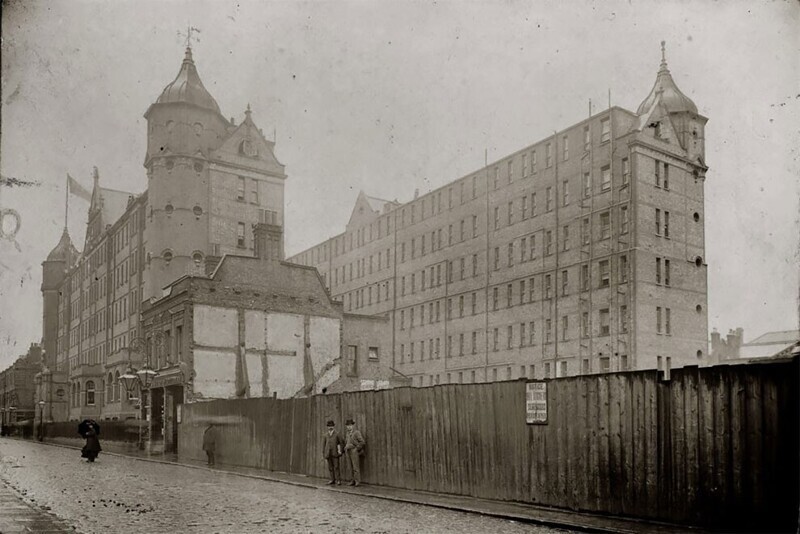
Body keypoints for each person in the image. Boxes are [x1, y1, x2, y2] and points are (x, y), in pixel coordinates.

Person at [343, 418, 365, 486]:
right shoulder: (347, 433)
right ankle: (352, 480)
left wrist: (356, 448)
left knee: (355, 467)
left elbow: (362, 442)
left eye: (350, 425)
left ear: (353, 425)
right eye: (348, 425)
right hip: (348, 451)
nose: (349, 427)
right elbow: (346, 441)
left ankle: (357, 481)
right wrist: (346, 447)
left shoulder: (356, 432)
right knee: (350, 467)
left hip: (354, 451)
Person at [322, 419, 344, 485]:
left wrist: (340, 451)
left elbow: (341, 443)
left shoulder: (337, 434)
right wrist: (324, 453)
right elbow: (324, 445)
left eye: (331, 426)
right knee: (330, 467)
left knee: (336, 467)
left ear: (333, 426)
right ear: (327, 427)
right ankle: (332, 479)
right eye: (329, 426)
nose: (330, 427)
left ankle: (338, 480)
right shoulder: (325, 435)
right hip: (328, 454)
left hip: (335, 453)